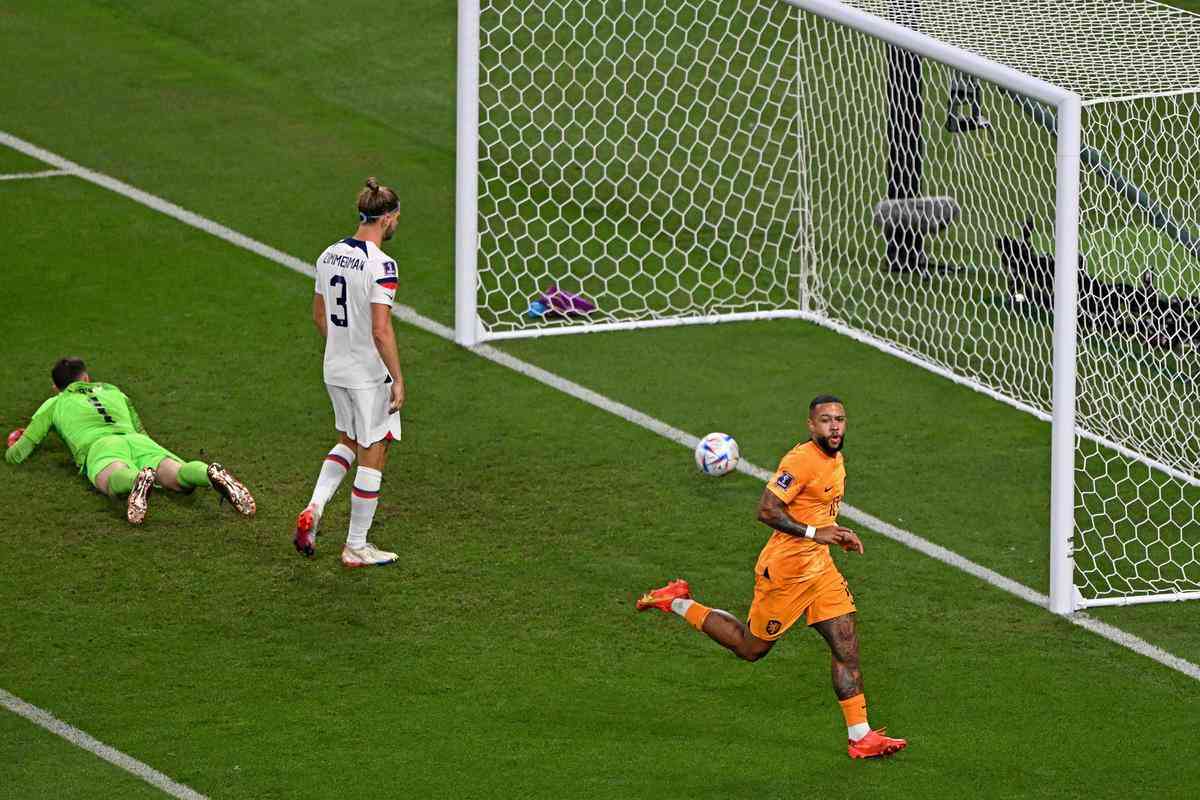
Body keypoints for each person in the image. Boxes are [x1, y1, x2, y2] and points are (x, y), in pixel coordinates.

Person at [636, 395, 907, 759]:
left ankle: (860, 737)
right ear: (811, 425)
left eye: (839, 419)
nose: (834, 426)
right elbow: (766, 510)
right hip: (785, 573)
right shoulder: (800, 461)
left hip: (820, 569)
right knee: (751, 648)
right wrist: (815, 534)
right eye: (826, 420)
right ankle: (677, 600)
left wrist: (834, 532)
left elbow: (816, 510)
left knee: (846, 644)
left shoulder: (835, 458)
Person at [294, 177, 405, 568]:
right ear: (387, 218)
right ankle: (356, 545)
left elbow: (319, 316)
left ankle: (315, 505)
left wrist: (341, 346)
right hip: (365, 373)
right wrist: (397, 378)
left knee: (348, 439)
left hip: (334, 367)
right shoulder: (382, 265)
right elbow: (380, 329)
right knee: (375, 449)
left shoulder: (328, 255)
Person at [4, 357, 256, 524]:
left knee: (111, 480)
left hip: (100, 446)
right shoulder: (114, 391)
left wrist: (13, 446)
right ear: (86, 378)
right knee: (178, 475)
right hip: (137, 440)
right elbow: (140, 428)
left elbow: (19, 453)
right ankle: (209, 473)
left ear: (56, 388)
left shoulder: (55, 403)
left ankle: (137, 478)